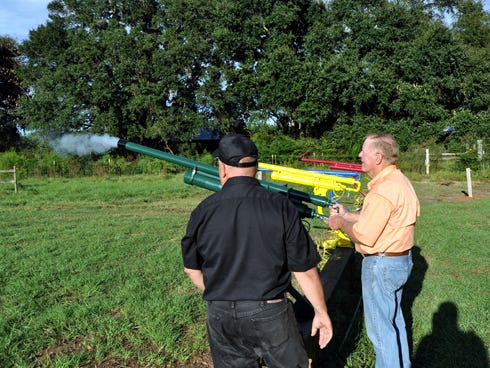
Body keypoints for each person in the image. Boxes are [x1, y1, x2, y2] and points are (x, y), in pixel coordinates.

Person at [181, 133, 333, 368]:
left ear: (222, 169)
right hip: (270, 313)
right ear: (257, 167)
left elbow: (191, 269)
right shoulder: (281, 207)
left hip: (220, 314)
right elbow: (304, 269)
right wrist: (321, 313)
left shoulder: (203, 211)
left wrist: (224, 293)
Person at [328, 133, 420, 368]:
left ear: (378, 157)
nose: (360, 154)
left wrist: (341, 223)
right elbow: (381, 220)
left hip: (381, 265)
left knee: (380, 332)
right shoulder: (399, 181)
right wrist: (348, 214)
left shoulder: (382, 191)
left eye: (364, 150)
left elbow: (365, 235)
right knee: (393, 324)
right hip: (399, 262)